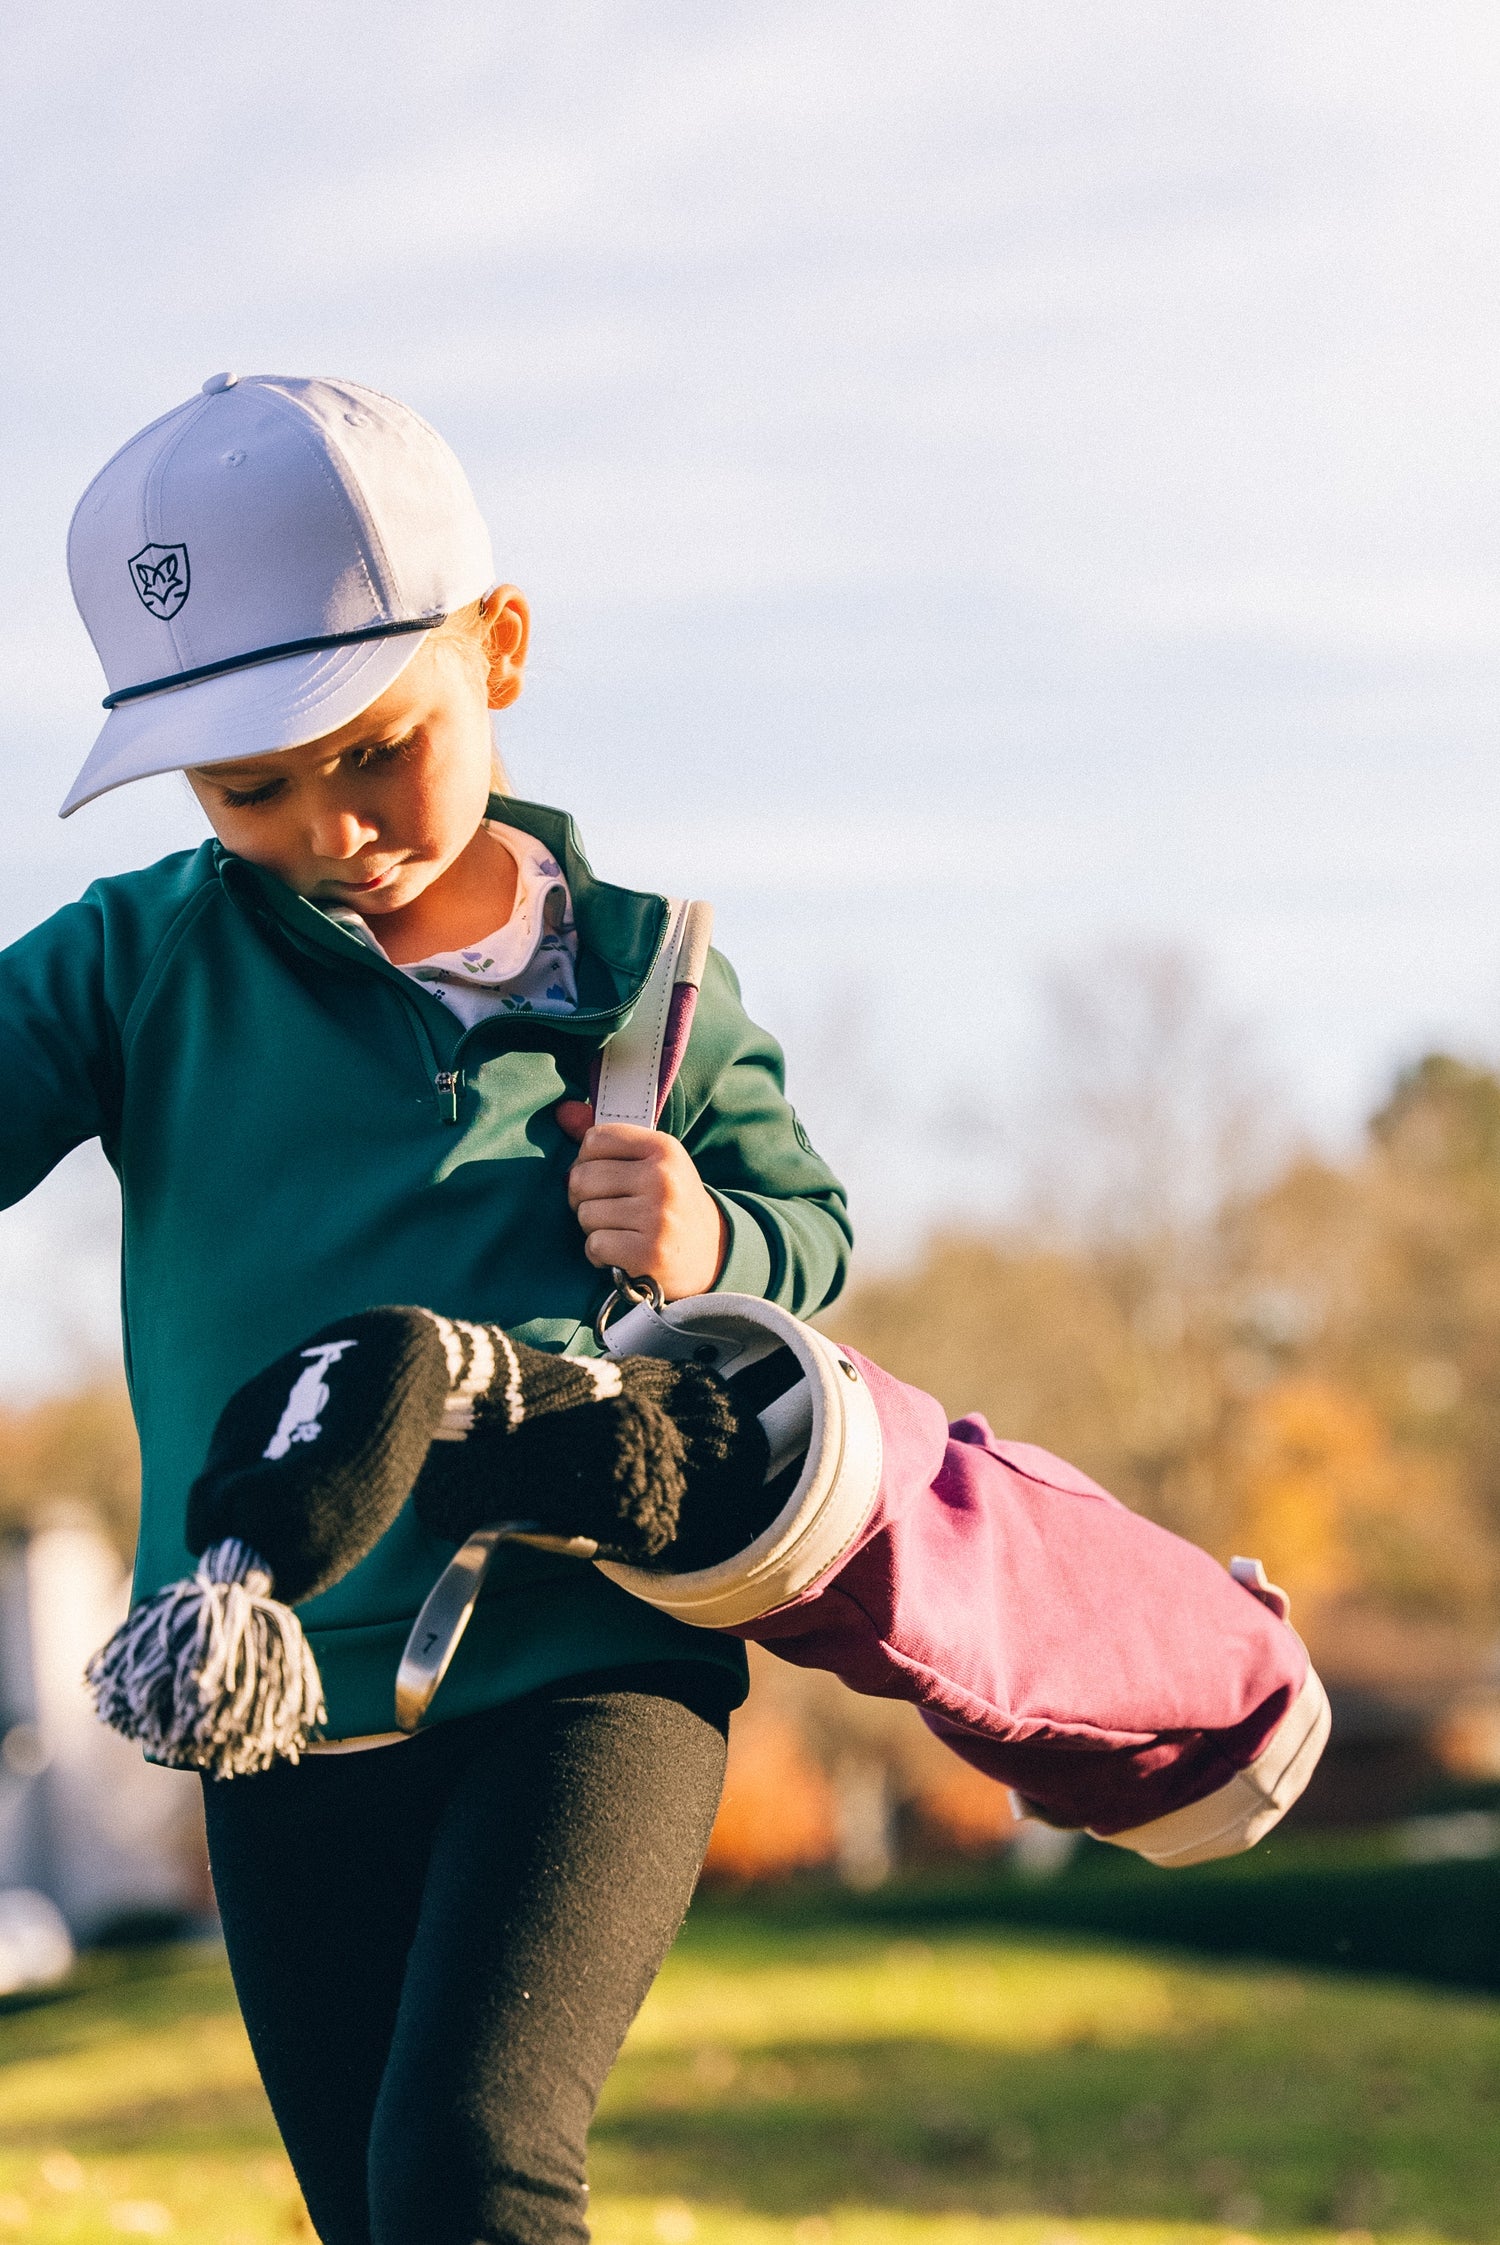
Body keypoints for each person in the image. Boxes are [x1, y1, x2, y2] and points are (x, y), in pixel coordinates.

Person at [11, 372, 853, 2245]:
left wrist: (714, 1241)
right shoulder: (140, 962)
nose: (331, 826)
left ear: (502, 648)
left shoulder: (652, 977)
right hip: (275, 1688)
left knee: (470, 2168)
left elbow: (816, 1239)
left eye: (377, 747)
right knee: (369, 2213)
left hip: (586, 1650)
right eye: (252, 784)